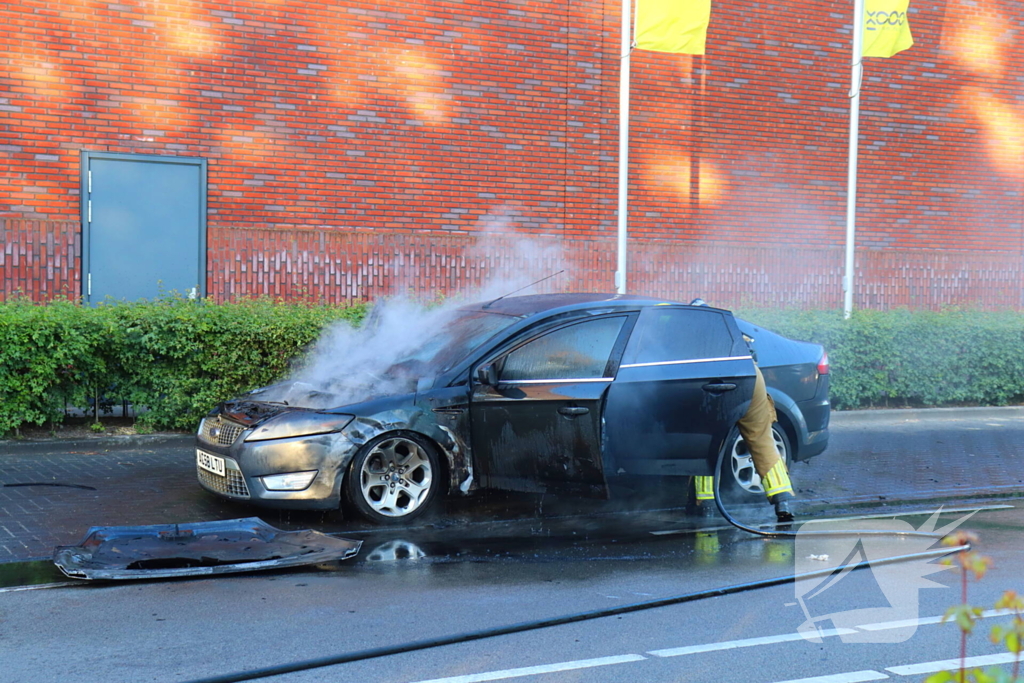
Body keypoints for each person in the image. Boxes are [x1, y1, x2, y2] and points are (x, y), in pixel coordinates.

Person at [689, 317, 796, 522]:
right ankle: (782, 500)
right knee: (762, 441)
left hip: (715, 380)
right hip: (750, 376)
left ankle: (706, 504)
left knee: (705, 441)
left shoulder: (692, 333)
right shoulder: (728, 327)